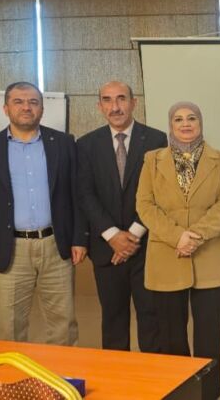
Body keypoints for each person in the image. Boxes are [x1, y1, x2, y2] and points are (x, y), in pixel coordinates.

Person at [0, 81, 85, 345]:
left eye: (33, 102)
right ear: (5, 108)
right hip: (10, 249)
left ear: (42, 109)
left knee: (63, 324)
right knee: (10, 326)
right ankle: (15, 372)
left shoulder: (64, 143)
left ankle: (60, 372)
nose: (26, 107)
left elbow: (76, 195)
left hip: (56, 245)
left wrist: (79, 238)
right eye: (18, 102)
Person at [136, 101, 220, 400]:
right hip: (167, 255)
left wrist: (196, 237)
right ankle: (180, 392)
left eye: (192, 118)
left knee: (209, 336)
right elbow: (145, 205)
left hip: (210, 257)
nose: (185, 123)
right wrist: (178, 237)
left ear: (200, 123)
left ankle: (208, 393)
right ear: (171, 125)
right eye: (178, 119)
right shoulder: (152, 160)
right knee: (171, 335)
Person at [77, 81, 166, 351]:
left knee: (152, 320)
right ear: (99, 106)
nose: (115, 107)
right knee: (113, 321)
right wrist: (113, 235)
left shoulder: (158, 140)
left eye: (121, 99)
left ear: (133, 102)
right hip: (106, 249)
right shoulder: (86, 144)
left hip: (147, 246)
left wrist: (133, 235)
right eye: (107, 100)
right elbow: (85, 194)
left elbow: (161, 192)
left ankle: (152, 376)